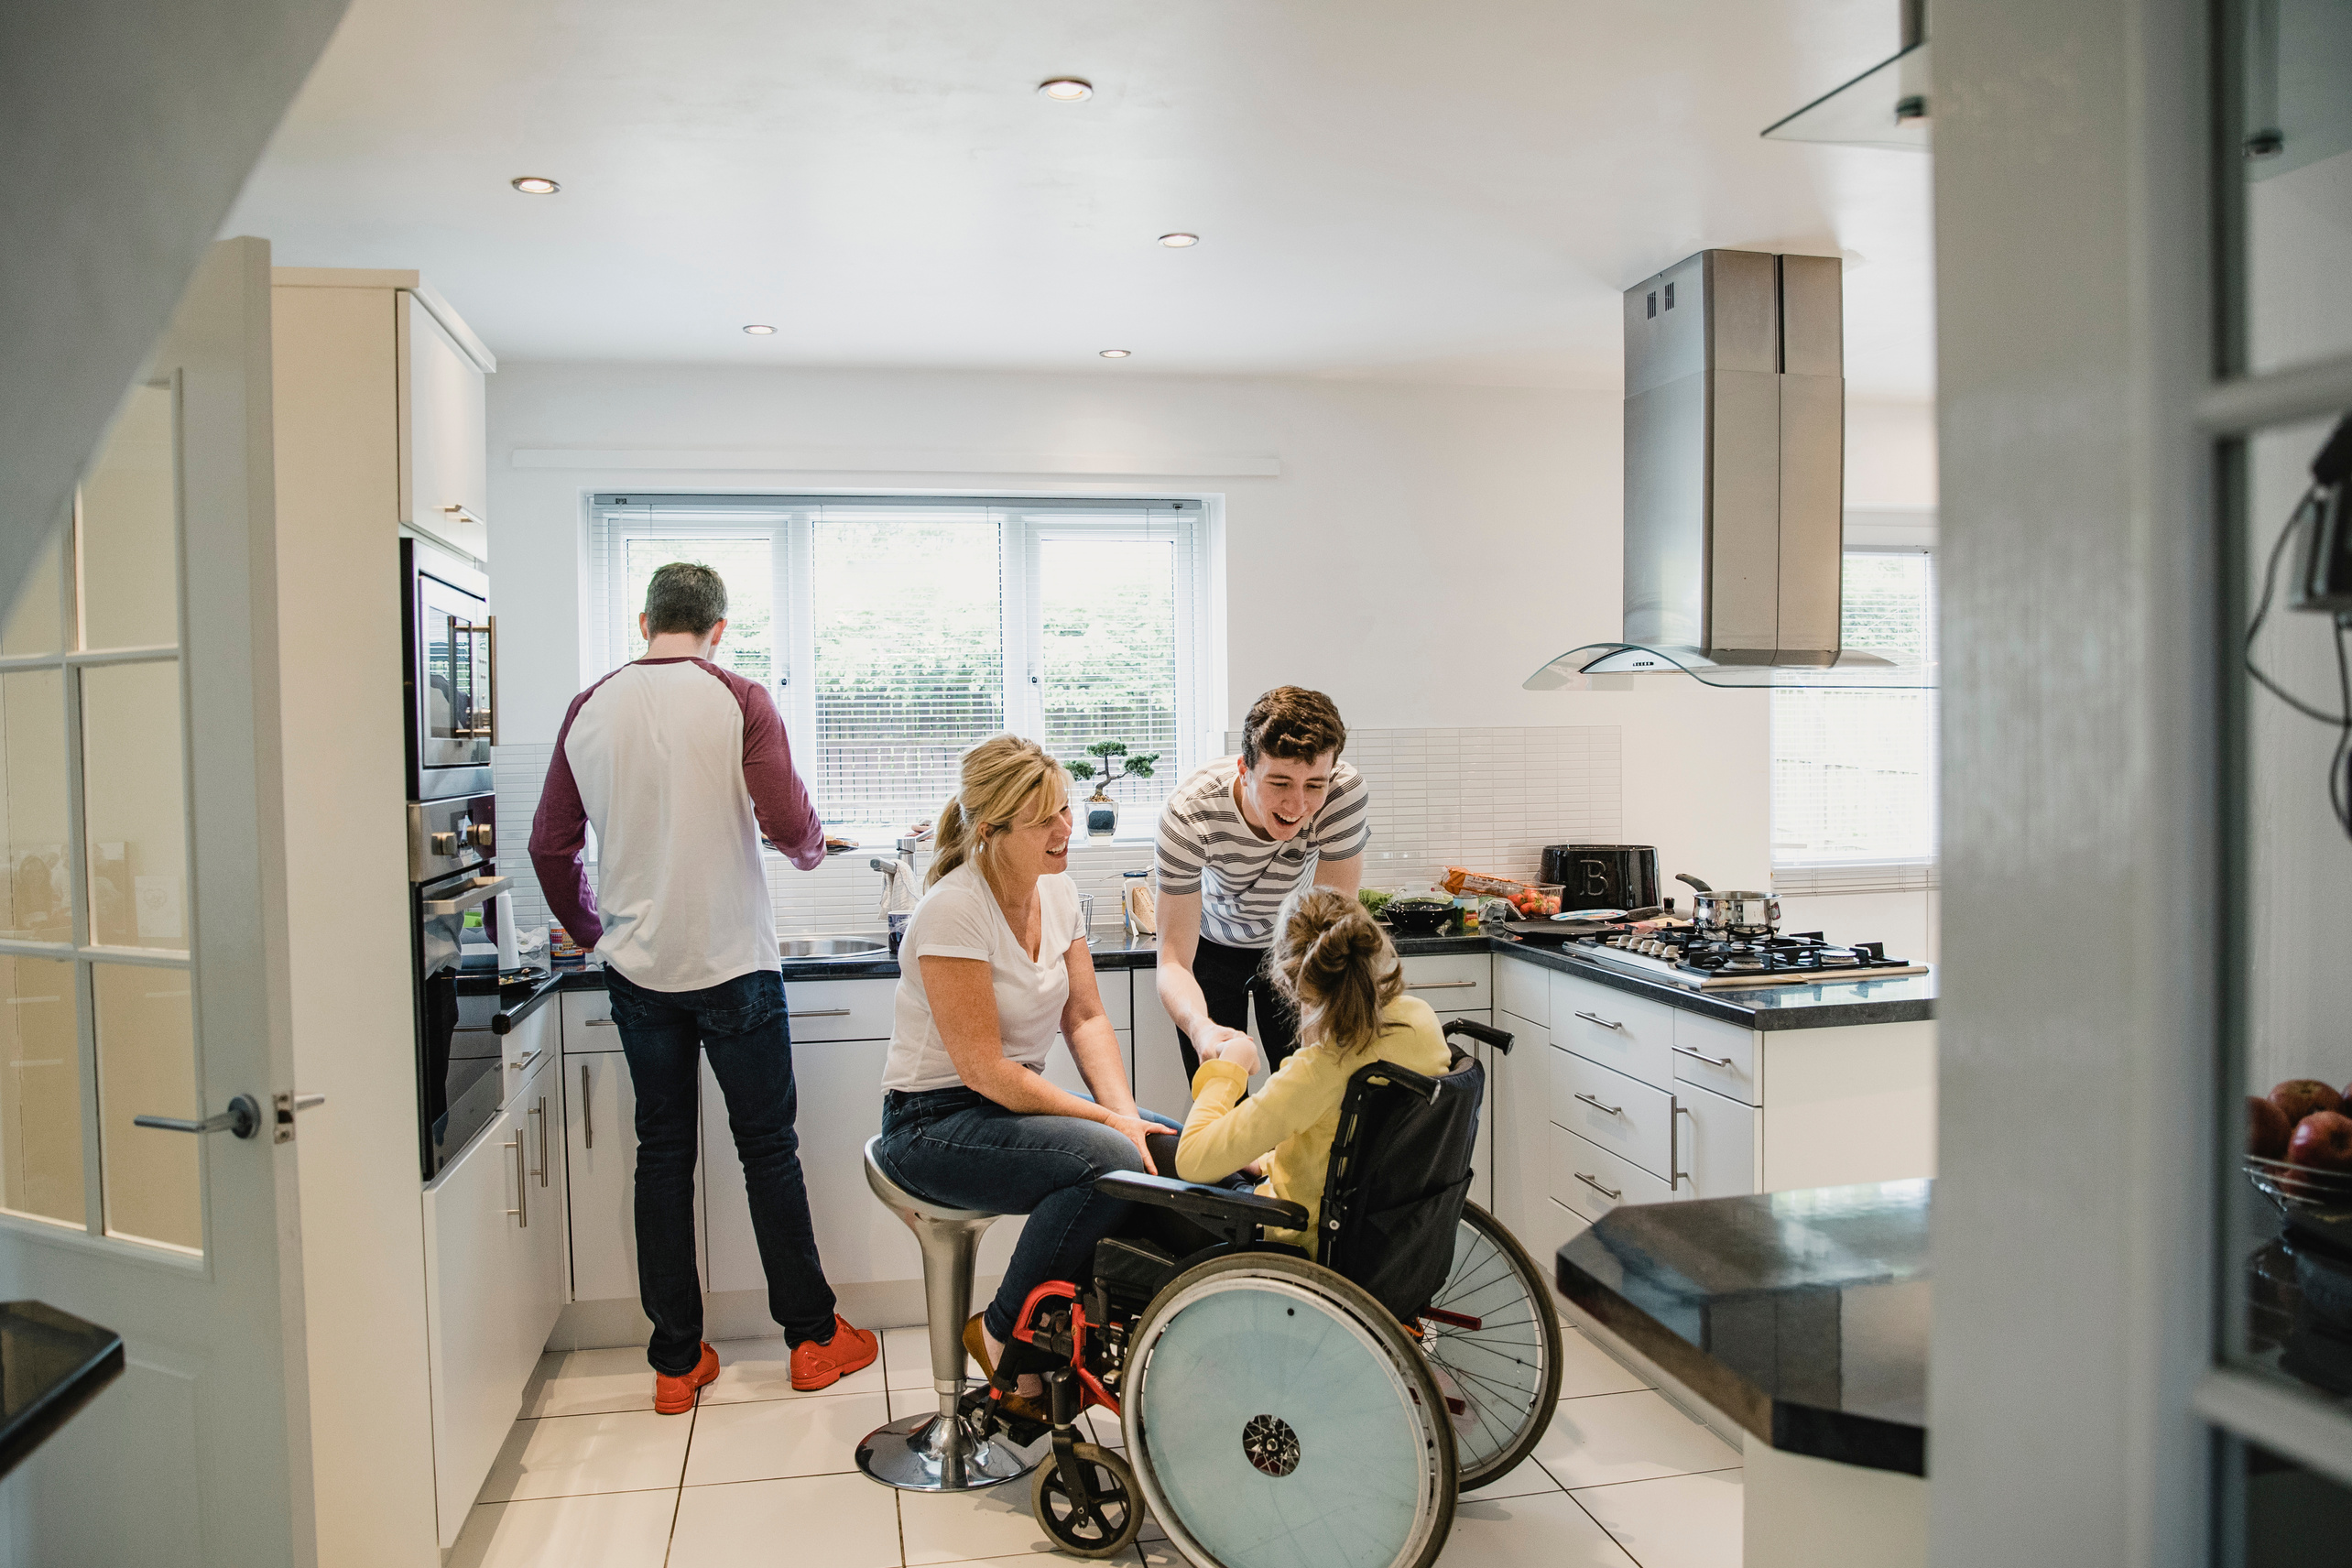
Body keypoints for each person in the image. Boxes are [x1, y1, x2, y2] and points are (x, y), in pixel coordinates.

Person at [529, 561, 877, 1412]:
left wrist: (588, 930)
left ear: (645, 621)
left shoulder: (589, 708)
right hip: (734, 964)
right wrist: (808, 849)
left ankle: (677, 1364)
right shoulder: (739, 698)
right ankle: (811, 1341)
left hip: (639, 973)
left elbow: (549, 845)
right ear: (719, 628)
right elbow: (789, 824)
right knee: (768, 1153)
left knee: (662, 1157)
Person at [871, 735, 1171, 1413]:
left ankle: (1080, 1335)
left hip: (1004, 1109)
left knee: (1164, 1146)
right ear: (992, 829)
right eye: (1045, 819)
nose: (1066, 828)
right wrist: (1110, 1125)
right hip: (931, 1125)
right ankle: (1005, 1334)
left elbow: (1087, 1018)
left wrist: (1125, 1111)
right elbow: (984, 1069)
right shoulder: (954, 908)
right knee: (1111, 1156)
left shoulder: (1058, 894)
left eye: (1064, 809)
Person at [1174, 885, 1451, 1248]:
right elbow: (1350, 1141)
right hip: (1388, 1234)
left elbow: (1192, 1159)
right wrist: (1272, 1162)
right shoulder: (1420, 1019)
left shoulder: (1317, 1070)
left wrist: (1230, 1070)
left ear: (1289, 983)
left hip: (1302, 1238)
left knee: (1150, 1149)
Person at [1154, 686, 1370, 1080]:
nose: (1297, 805)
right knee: (1221, 1095)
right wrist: (1201, 1030)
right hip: (1212, 947)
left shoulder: (1343, 795)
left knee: (1305, 1091)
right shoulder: (1189, 814)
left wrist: (1316, 1050)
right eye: (1280, 783)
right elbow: (1172, 961)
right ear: (1245, 770)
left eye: (1314, 785)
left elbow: (1329, 930)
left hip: (1296, 946)